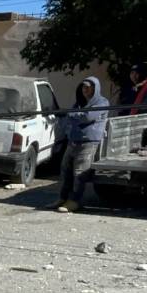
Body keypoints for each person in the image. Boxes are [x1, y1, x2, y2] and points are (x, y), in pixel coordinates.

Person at [53, 76, 109, 213]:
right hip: (73, 141)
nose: (85, 90)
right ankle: (62, 198)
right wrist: (75, 115)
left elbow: (87, 117)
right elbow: (75, 117)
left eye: (89, 87)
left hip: (88, 142)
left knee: (80, 173)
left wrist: (73, 115)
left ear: (95, 89)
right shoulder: (79, 103)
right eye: (84, 87)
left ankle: (74, 201)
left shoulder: (102, 102)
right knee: (65, 170)